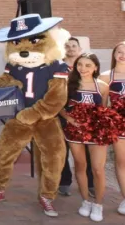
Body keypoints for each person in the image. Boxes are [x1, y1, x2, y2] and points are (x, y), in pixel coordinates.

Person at [59, 53, 109, 222]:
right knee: (80, 166)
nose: (83, 68)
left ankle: (98, 204)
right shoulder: (68, 84)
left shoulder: (102, 86)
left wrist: (98, 123)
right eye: (80, 64)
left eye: (88, 65)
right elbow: (59, 106)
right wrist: (69, 119)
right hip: (75, 131)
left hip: (97, 132)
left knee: (97, 169)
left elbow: (103, 108)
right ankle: (86, 201)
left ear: (95, 67)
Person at [58, 37, 95, 197]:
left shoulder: (85, 67)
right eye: (68, 46)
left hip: (84, 115)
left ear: (79, 49)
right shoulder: (57, 67)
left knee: (87, 149)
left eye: (74, 46)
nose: (71, 48)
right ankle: (64, 181)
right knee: (63, 149)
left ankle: (91, 183)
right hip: (63, 112)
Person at [100, 41, 125, 216]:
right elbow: (102, 107)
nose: (123, 55)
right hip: (119, 125)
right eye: (119, 52)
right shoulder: (106, 77)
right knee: (121, 162)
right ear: (114, 54)